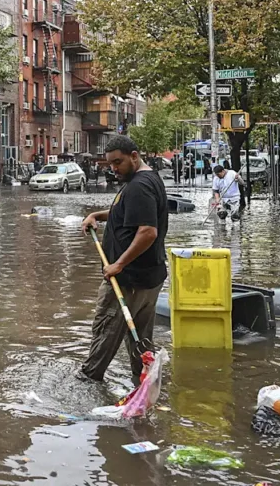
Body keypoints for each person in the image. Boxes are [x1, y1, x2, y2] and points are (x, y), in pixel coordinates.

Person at [80, 135, 169, 384]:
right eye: (110, 164)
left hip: (127, 280)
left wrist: (119, 264)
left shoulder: (139, 185)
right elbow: (125, 212)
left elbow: (148, 232)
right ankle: (143, 386)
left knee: (105, 333)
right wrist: (96, 215)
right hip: (148, 278)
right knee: (140, 341)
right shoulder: (146, 180)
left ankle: (88, 384)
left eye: (118, 162)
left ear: (134, 156)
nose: (114, 169)